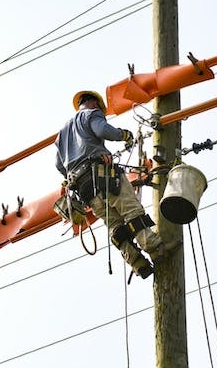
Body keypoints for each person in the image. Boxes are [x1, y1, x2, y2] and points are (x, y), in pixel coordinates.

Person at [55, 90, 175, 280]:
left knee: (115, 225)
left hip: (85, 189)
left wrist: (79, 169)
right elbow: (103, 130)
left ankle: (138, 264)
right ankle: (156, 249)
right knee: (131, 211)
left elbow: (59, 165)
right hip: (103, 176)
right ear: (94, 103)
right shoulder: (91, 114)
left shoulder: (61, 135)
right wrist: (124, 135)